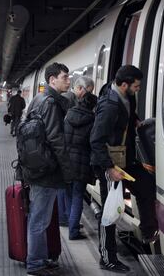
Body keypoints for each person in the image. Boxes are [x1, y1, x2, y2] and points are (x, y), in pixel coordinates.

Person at [90, 65, 158, 273]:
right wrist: (109, 168)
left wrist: (136, 121)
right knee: (110, 213)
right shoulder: (109, 106)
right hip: (110, 164)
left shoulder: (127, 97)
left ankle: (148, 232)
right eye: (136, 86)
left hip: (126, 159)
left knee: (146, 186)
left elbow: (129, 115)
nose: (138, 89)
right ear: (124, 84)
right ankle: (107, 258)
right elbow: (96, 140)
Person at [25, 62, 73, 276]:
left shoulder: (38, 99)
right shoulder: (51, 103)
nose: (68, 81)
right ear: (52, 80)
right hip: (47, 170)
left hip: (36, 166)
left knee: (41, 217)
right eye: (64, 77)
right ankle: (35, 263)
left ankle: (41, 258)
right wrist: (68, 169)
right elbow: (56, 139)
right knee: (39, 219)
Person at [58, 76, 95, 226]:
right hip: (78, 159)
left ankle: (65, 218)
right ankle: (67, 221)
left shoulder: (71, 111)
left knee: (66, 190)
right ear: (80, 88)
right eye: (88, 92)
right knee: (75, 193)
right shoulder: (67, 101)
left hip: (66, 157)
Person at [64, 91, 97, 240]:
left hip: (66, 159)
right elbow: (92, 142)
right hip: (82, 161)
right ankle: (74, 230)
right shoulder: (92, 119)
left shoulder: (69, 114)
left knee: (69, 193)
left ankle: (70, 222)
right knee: (78, 195)